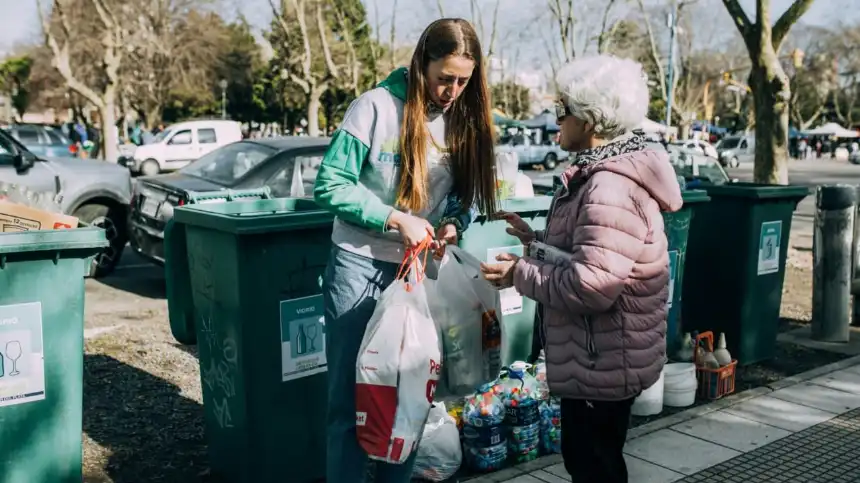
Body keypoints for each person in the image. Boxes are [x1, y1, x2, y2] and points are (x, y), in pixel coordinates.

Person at [481, 55, 683, 483]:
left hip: (601, 358)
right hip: (602, 355)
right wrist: (534, 242)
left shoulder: (608, 185)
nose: (557, 122)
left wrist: (518, 273)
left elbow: (592, 286)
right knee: (593, 459)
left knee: (593, 465)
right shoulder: (604, 174)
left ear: (590, 119)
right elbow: (589, 253)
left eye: (563, 111)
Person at [313, 18, 497, 483]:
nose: (451, 90)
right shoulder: (374, 108)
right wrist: (394, 218)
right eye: (444, 78)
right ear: (422, 64)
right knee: (353, 399)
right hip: (359, 267)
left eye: (462, 81)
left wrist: (454, 221)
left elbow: (464, 196)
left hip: (417, 276)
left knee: (412, 396)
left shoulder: (460, 120)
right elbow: (330, 184)